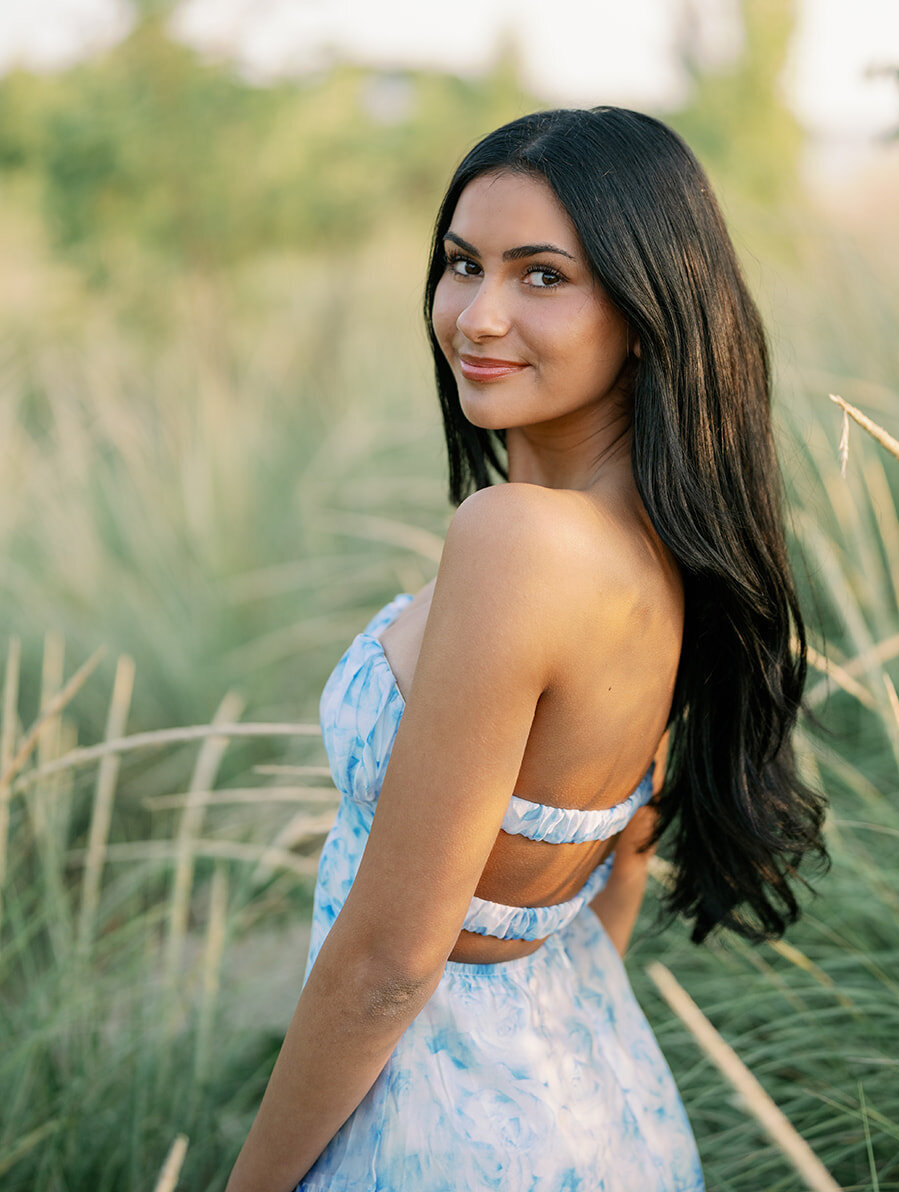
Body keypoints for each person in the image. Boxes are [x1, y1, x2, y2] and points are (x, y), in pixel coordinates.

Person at [225, 106, 829, 1192]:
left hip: (440, 1133)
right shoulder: (670, 542)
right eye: (463, 264)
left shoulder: (514, 541)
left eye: (541, 275)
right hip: (601, 1106)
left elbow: (385, 963)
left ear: (647, 310)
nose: (478, 314)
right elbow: (615, 876)